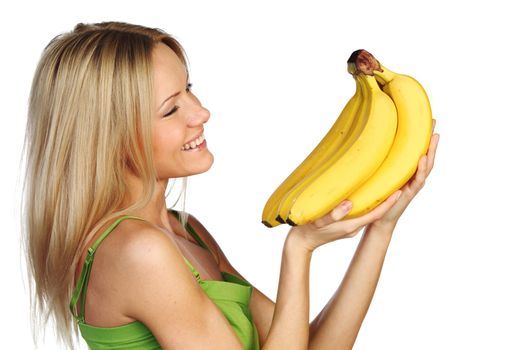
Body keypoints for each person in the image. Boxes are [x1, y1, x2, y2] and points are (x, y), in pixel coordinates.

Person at [21, 21, 440, 350]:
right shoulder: (137, 253)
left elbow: (311, 347)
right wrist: (299, 250)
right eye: (171, 109)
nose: (200, 112)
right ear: (106, 137)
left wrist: (381, 227)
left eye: (189, 89)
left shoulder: (184, 230)